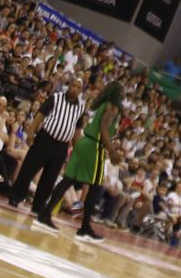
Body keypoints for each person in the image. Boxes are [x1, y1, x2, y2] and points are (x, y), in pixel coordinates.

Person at [39, 79, 124, 240]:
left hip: (84, 143)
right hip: (94, 147)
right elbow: (104, 129)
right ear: (118, 94)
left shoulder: (102, 104)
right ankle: (85, 228)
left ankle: (45, 214)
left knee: (68, 181)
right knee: (95, 187)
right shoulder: (112, 107)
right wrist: (112, 151)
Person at [9, 76, 86, 211]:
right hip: (45, 139)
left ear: (81, 91)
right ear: (69, 86)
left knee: (50, 178)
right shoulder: (55, 98)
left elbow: (77, 130)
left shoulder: (80, 107)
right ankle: (16, 196)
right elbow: (40, 115)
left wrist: (77, 151)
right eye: (73, 86)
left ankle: (38, 205)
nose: (75, 89)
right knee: (29, 169)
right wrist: (31, 132)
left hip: (62, 146)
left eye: (78, 88)